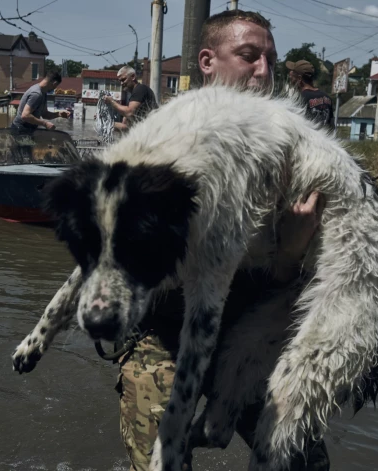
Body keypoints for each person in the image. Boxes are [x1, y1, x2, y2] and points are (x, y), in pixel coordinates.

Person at [114, 10, 328, 471]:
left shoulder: (293, 155)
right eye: (249, 56)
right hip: (166, 333)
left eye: (272, 60)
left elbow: (285, 288)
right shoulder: (165, 143)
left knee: (304, 461)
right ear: (207, 61)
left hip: (245, 334)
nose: (264, 72)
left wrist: (292, 249)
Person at [102, 66, 158, 132]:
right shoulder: (134, 95)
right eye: (120, 81)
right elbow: (125, 127)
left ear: (133, 77)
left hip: (150, 132)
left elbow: (129, 112)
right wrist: (103, 120)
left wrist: (111, 101)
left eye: (123, 79)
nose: (121, 83)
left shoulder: (140, 90)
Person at [286, 60, 334, 129]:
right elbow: (332, 127)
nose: (291, 79)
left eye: (292, 77)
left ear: (299, 78)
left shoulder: (299, 99)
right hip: (324, 139)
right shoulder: (327, 98)